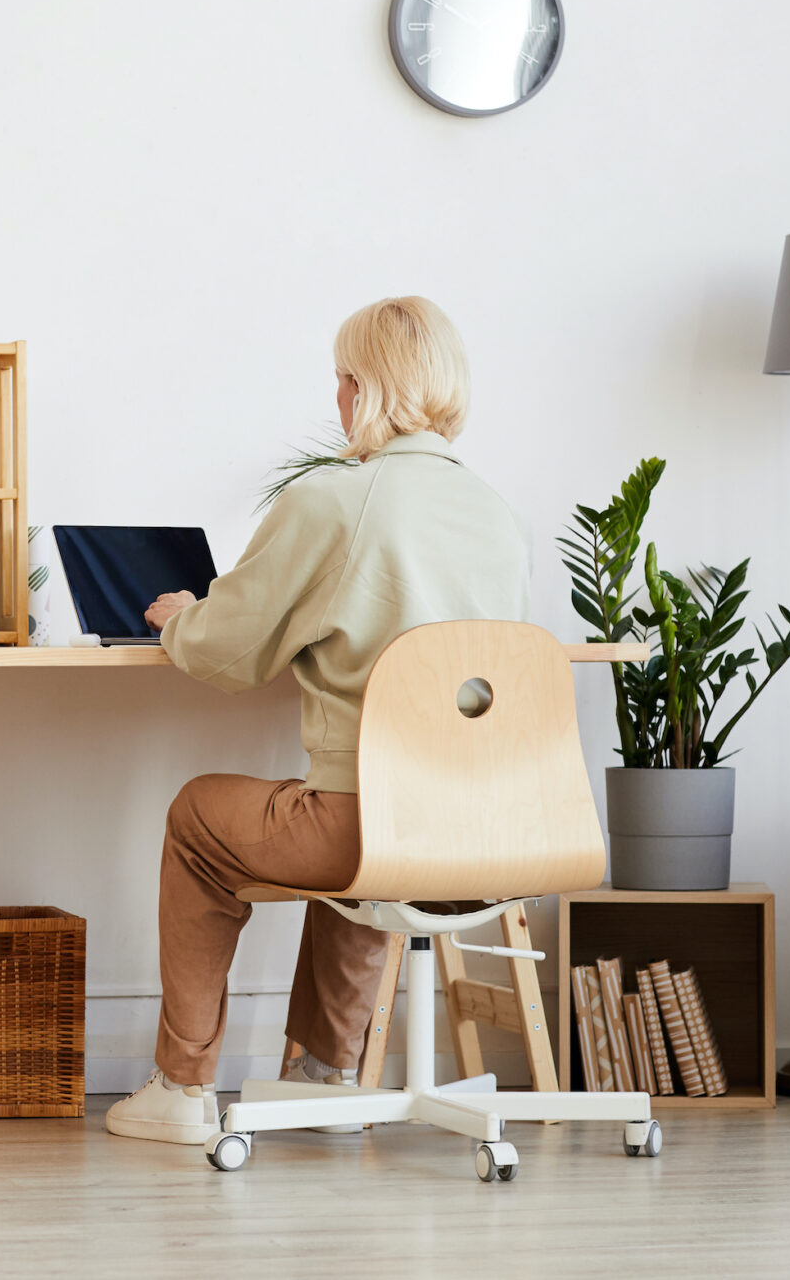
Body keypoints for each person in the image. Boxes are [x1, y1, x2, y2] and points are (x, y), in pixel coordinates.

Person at [104, 296, 530, 1146]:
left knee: (203, 816)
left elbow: (228, 655)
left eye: (341, 378)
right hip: (494, 831)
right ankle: (326, 1074)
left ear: (362, 388)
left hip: (369, 832)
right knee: (367, 808)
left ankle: (183, 1087)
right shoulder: (496, 514)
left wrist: (185, 613)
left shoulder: (338, 500)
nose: (336, 396)